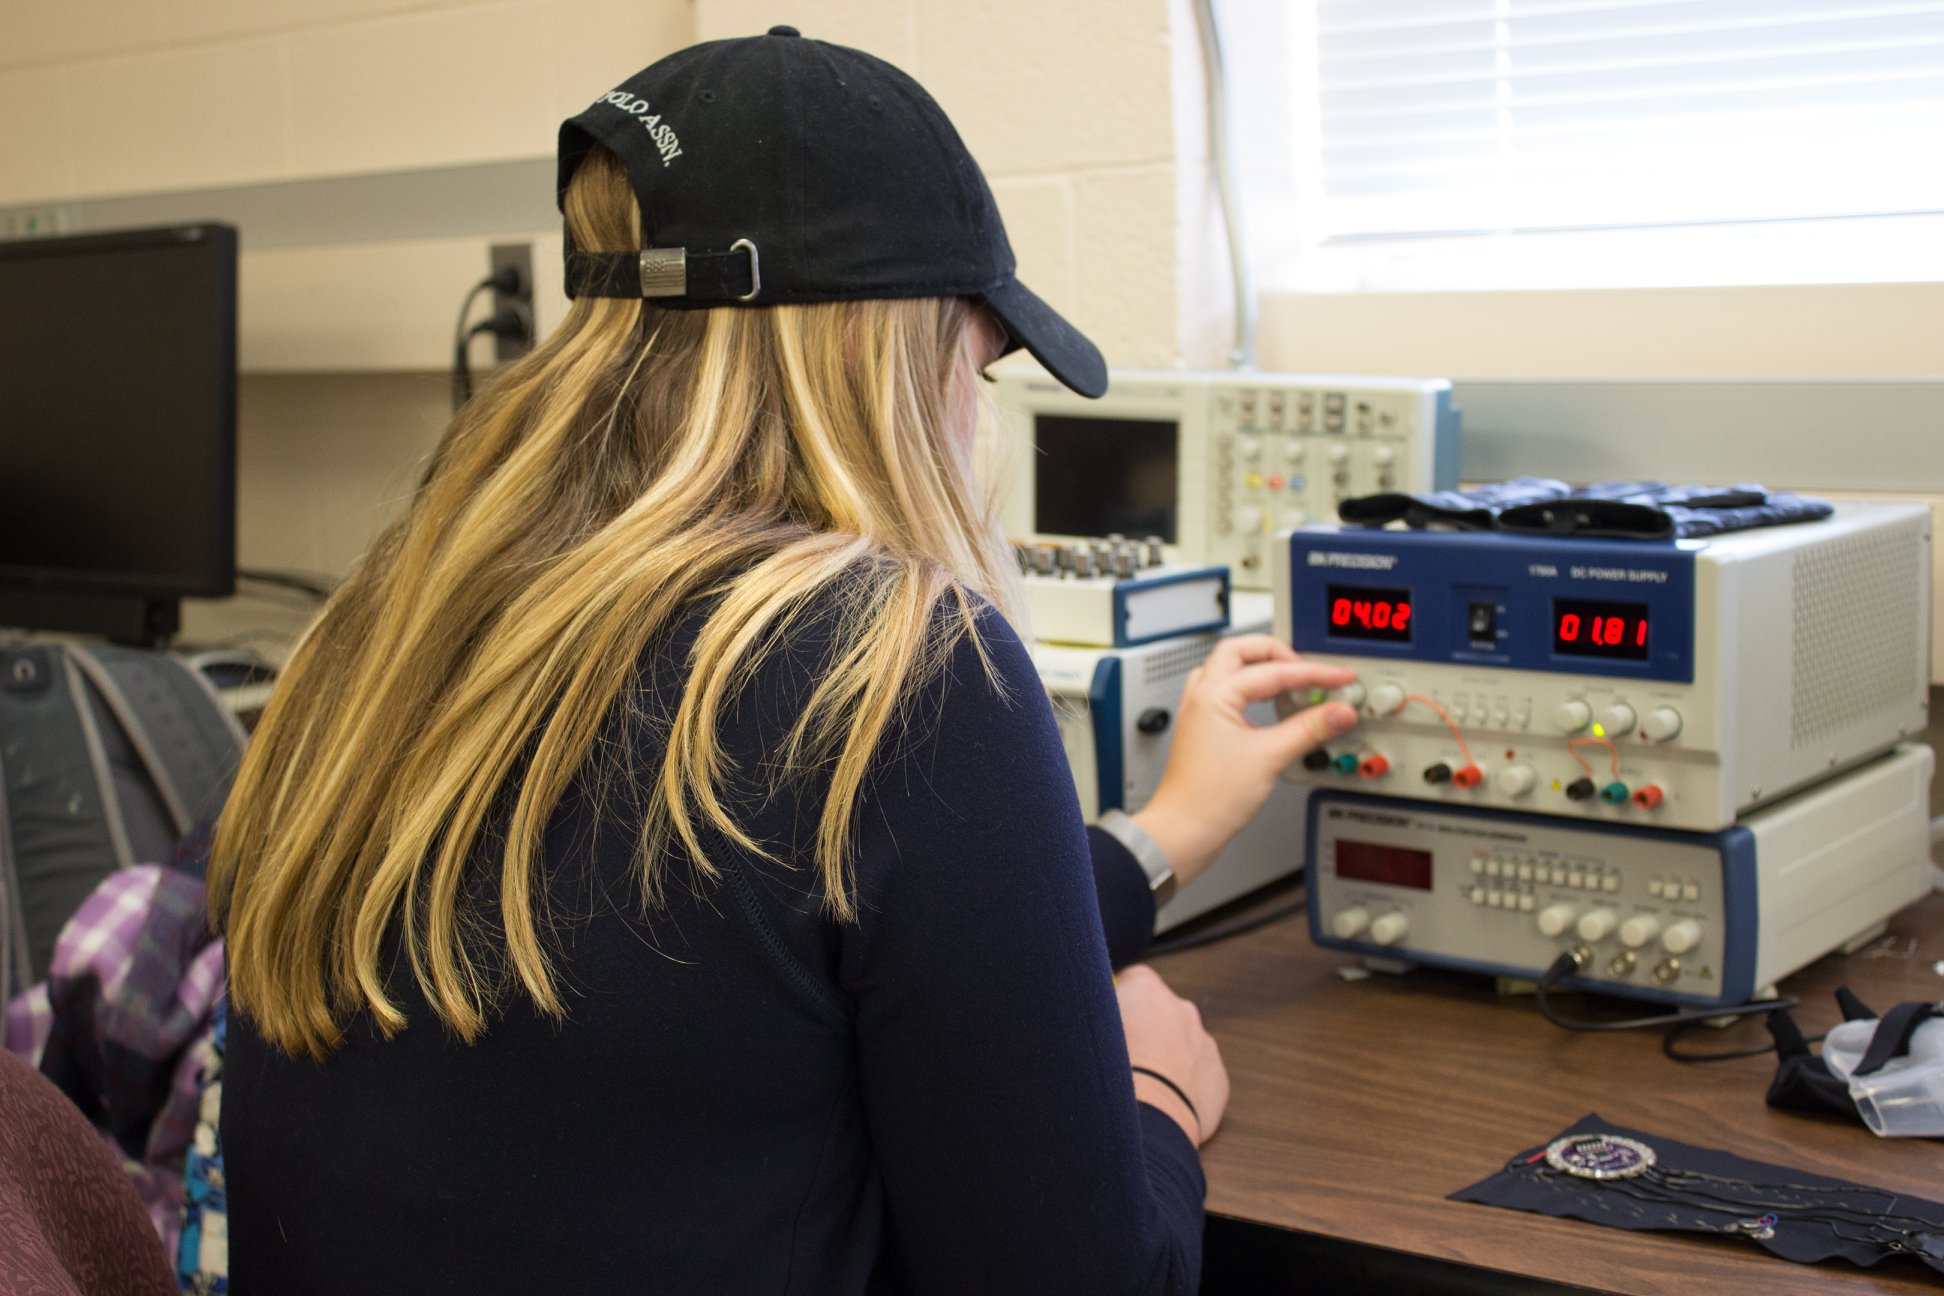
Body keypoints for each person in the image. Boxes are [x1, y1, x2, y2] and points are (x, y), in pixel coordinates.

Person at [208, 27, 1360, 1295]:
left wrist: (1168, 832)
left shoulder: (379, 630)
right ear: (892, 354)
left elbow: (790, 965)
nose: (975, 421)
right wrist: (1152, 1104)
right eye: (976, 367)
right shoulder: (901, 672)